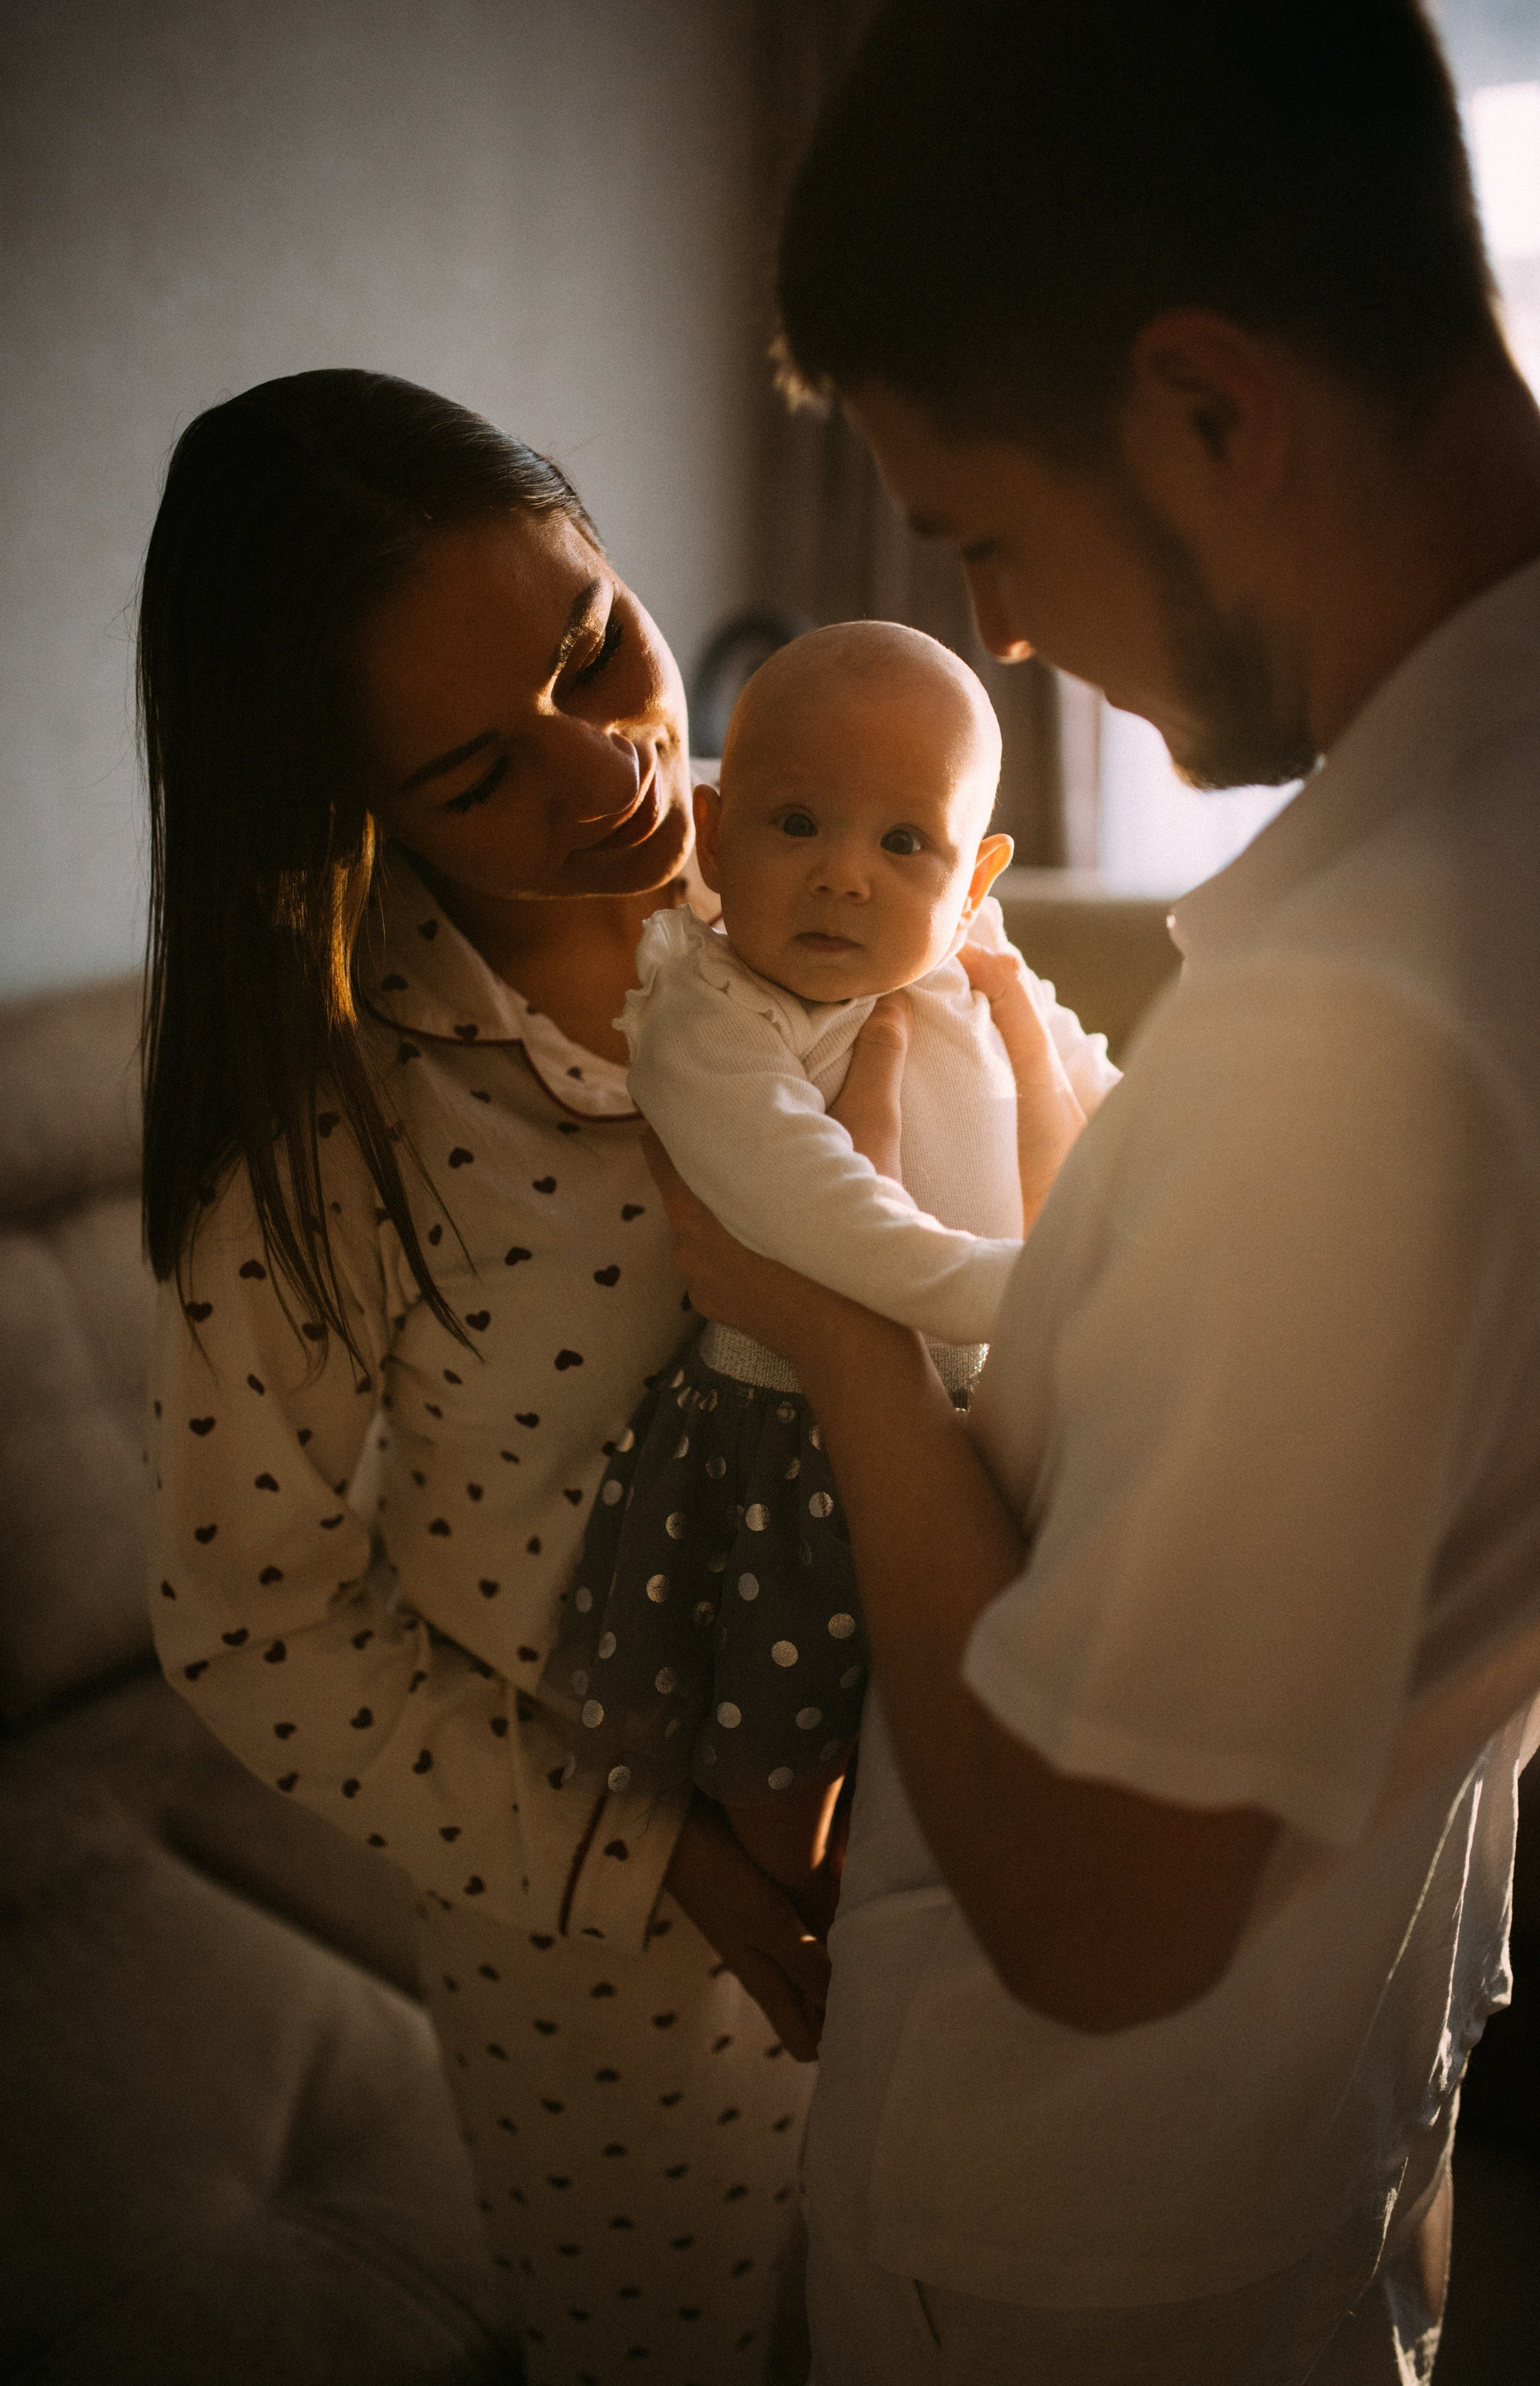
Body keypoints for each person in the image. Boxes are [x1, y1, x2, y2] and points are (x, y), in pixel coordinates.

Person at [643, 1, 1540, 2379]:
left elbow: (1101, 1901)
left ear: (1211, 411)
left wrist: (840, 1338)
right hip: (1306, 2100)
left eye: (990, 536)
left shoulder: (1357, 1027)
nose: (1008, 629)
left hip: (1071, 2221)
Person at [141, 367, 854, 2384]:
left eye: (595, 644)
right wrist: (651, 1859)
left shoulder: (823, 859)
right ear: (352, 801)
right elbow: (244, 1621)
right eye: (477, 770)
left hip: (941, 1838)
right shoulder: (327, 1131)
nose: (611, 767)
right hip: (606, 1966)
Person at [545, 620, 1113, 1926]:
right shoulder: (709, 1015)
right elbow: (826, 1218)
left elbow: (1112, 1107)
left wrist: (1191, 1216)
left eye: (900, 842)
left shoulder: (976, 960)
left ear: (972, 875)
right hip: (779, 1448)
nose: (843, 878)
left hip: (976, 1416)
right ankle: (782, 1883)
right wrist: (1024, 1293)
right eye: (795, 824)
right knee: (777, 1793)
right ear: (713, 829)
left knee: (947, 1756)